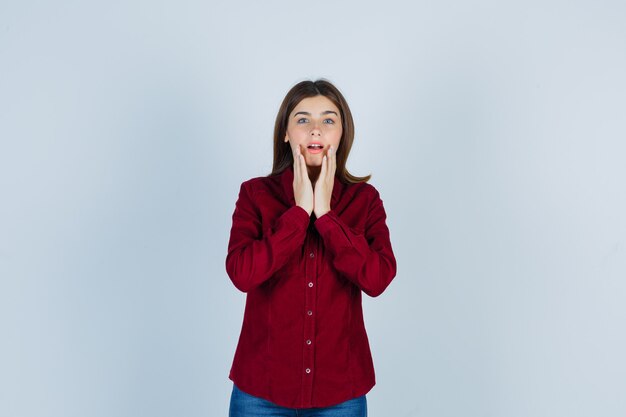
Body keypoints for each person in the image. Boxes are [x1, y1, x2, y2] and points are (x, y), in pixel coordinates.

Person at [225, 79, 397, 417]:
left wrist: (328, 218)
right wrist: (300, 214)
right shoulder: (255, 195)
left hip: (341, 394)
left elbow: (377, 279)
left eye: (328, 120)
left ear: (342, 133)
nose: (315, 129)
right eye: (303, 119)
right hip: (260, 391)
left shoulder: (365, 200)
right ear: (286, 133)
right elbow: (242, 274)